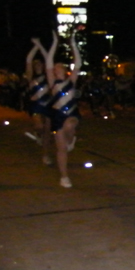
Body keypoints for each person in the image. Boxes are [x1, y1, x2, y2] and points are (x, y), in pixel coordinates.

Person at [37, 33, 82, 188]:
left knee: (69, 125)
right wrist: (55, 41)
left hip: (71, 114)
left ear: (64, 69)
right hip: (57, 115)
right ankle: (64, 176)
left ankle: (70, 140)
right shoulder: (52, 83)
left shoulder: (71, 81)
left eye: (59, 66)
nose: (56, 67)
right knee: (60, 149)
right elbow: (48, 62)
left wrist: (73, 42)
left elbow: (78, 62)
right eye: (54, 67)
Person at [24, 41, 53, 165]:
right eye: (36, 65)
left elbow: (48, 59)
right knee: (39, 127)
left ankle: (45, 155)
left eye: (40, 64)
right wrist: (35, 47)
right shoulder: (31, 77)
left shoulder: (47, 77)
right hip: (36, 105)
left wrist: (41, 46)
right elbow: (28, 60)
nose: (38, 66)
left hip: (48, 104)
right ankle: (38, 134)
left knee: (47, 130)